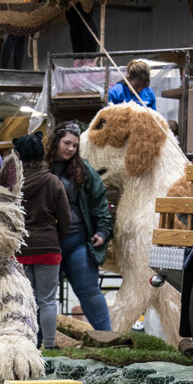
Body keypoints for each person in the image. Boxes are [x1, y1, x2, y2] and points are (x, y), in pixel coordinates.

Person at [44, 121, 113, 331]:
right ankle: (38, 344)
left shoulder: (84, 170)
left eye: (75, 145)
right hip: (46, 244)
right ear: (56, 141)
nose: (71, 149)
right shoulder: (39, 167)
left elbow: (100, 203)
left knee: (90, 292)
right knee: (42, 297)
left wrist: (103, 231)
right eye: (66, 143)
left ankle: (107, 338)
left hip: (78, 243)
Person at [13, 133, 71, 349]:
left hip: (20, 249)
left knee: (25, 299)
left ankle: (28, 344)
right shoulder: (53, 181)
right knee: (47, 300)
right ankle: (50, 345)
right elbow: (65, 217)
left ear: (17, 154)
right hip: (48, 248)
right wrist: (56, 238)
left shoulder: (12, 185)